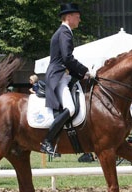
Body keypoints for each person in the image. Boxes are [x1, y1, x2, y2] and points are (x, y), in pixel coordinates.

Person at [40, 3, 92, 156]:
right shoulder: (64, 32)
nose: (79, 20)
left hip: (64, 75)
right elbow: (67, 58)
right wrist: (85, 71)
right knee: (70, 109)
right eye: (77, 17)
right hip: (58, 76)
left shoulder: (65, 32)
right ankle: (47, 141)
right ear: (69, 17)